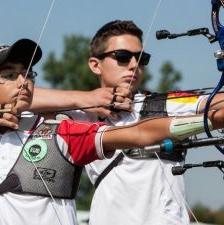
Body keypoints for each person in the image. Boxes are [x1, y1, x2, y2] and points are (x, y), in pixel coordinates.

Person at [31, 20, 224, 225]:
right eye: (122, 57)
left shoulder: (166, 103)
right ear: (95, 65)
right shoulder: (82, 113)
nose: (134, 65)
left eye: (141, 59)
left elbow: (216, 102)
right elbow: (16, 101)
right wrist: (87, 99)